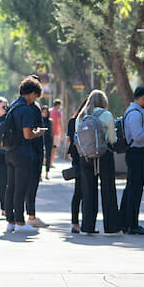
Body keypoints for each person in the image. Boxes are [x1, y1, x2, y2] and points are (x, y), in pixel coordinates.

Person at [4, 76, 48, 234]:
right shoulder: (27, 109)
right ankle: (21, 223)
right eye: (35, 96)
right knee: (20, 189)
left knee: (10, 188)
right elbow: (28, 134)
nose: (35, 99)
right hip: (23, 154)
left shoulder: (13, 106)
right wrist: (39, 133)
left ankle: (10, 221)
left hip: (9, 152)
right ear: (31, 93)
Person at [77, 89, 120, 235]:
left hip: (86, 157)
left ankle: (87, 227)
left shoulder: (81, 116)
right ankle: (111, 228)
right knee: (108, 190)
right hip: (104, 155)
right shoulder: (106, 115)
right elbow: (112, 139)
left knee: (88, 191)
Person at [119, 86, 144, 236]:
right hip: (136, 153)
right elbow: (138, 136)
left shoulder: (134, 112)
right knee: (135, 190)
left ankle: (126, 222)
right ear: (142, 98)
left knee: (132, 189)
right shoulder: (135, 114)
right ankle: (132, 224)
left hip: (136, 153)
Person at [66, 98, 86, 232]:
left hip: (80, 158)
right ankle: (76, 223)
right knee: (80, 192)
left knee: (81, 192)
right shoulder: (75, 121)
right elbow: (71, 141)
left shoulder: (73, 121)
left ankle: (81, 223)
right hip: (81, 159)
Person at [40, 104, 54, 179]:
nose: (44, 113)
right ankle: (40, 174)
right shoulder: (39, 120)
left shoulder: (50, 121)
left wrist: (53, 142)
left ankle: (47, 173)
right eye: (43, 112)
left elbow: (52, 132)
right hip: (41, 139)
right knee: (41, 156)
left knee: (48, 156)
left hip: (48, 139)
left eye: (46, 112)